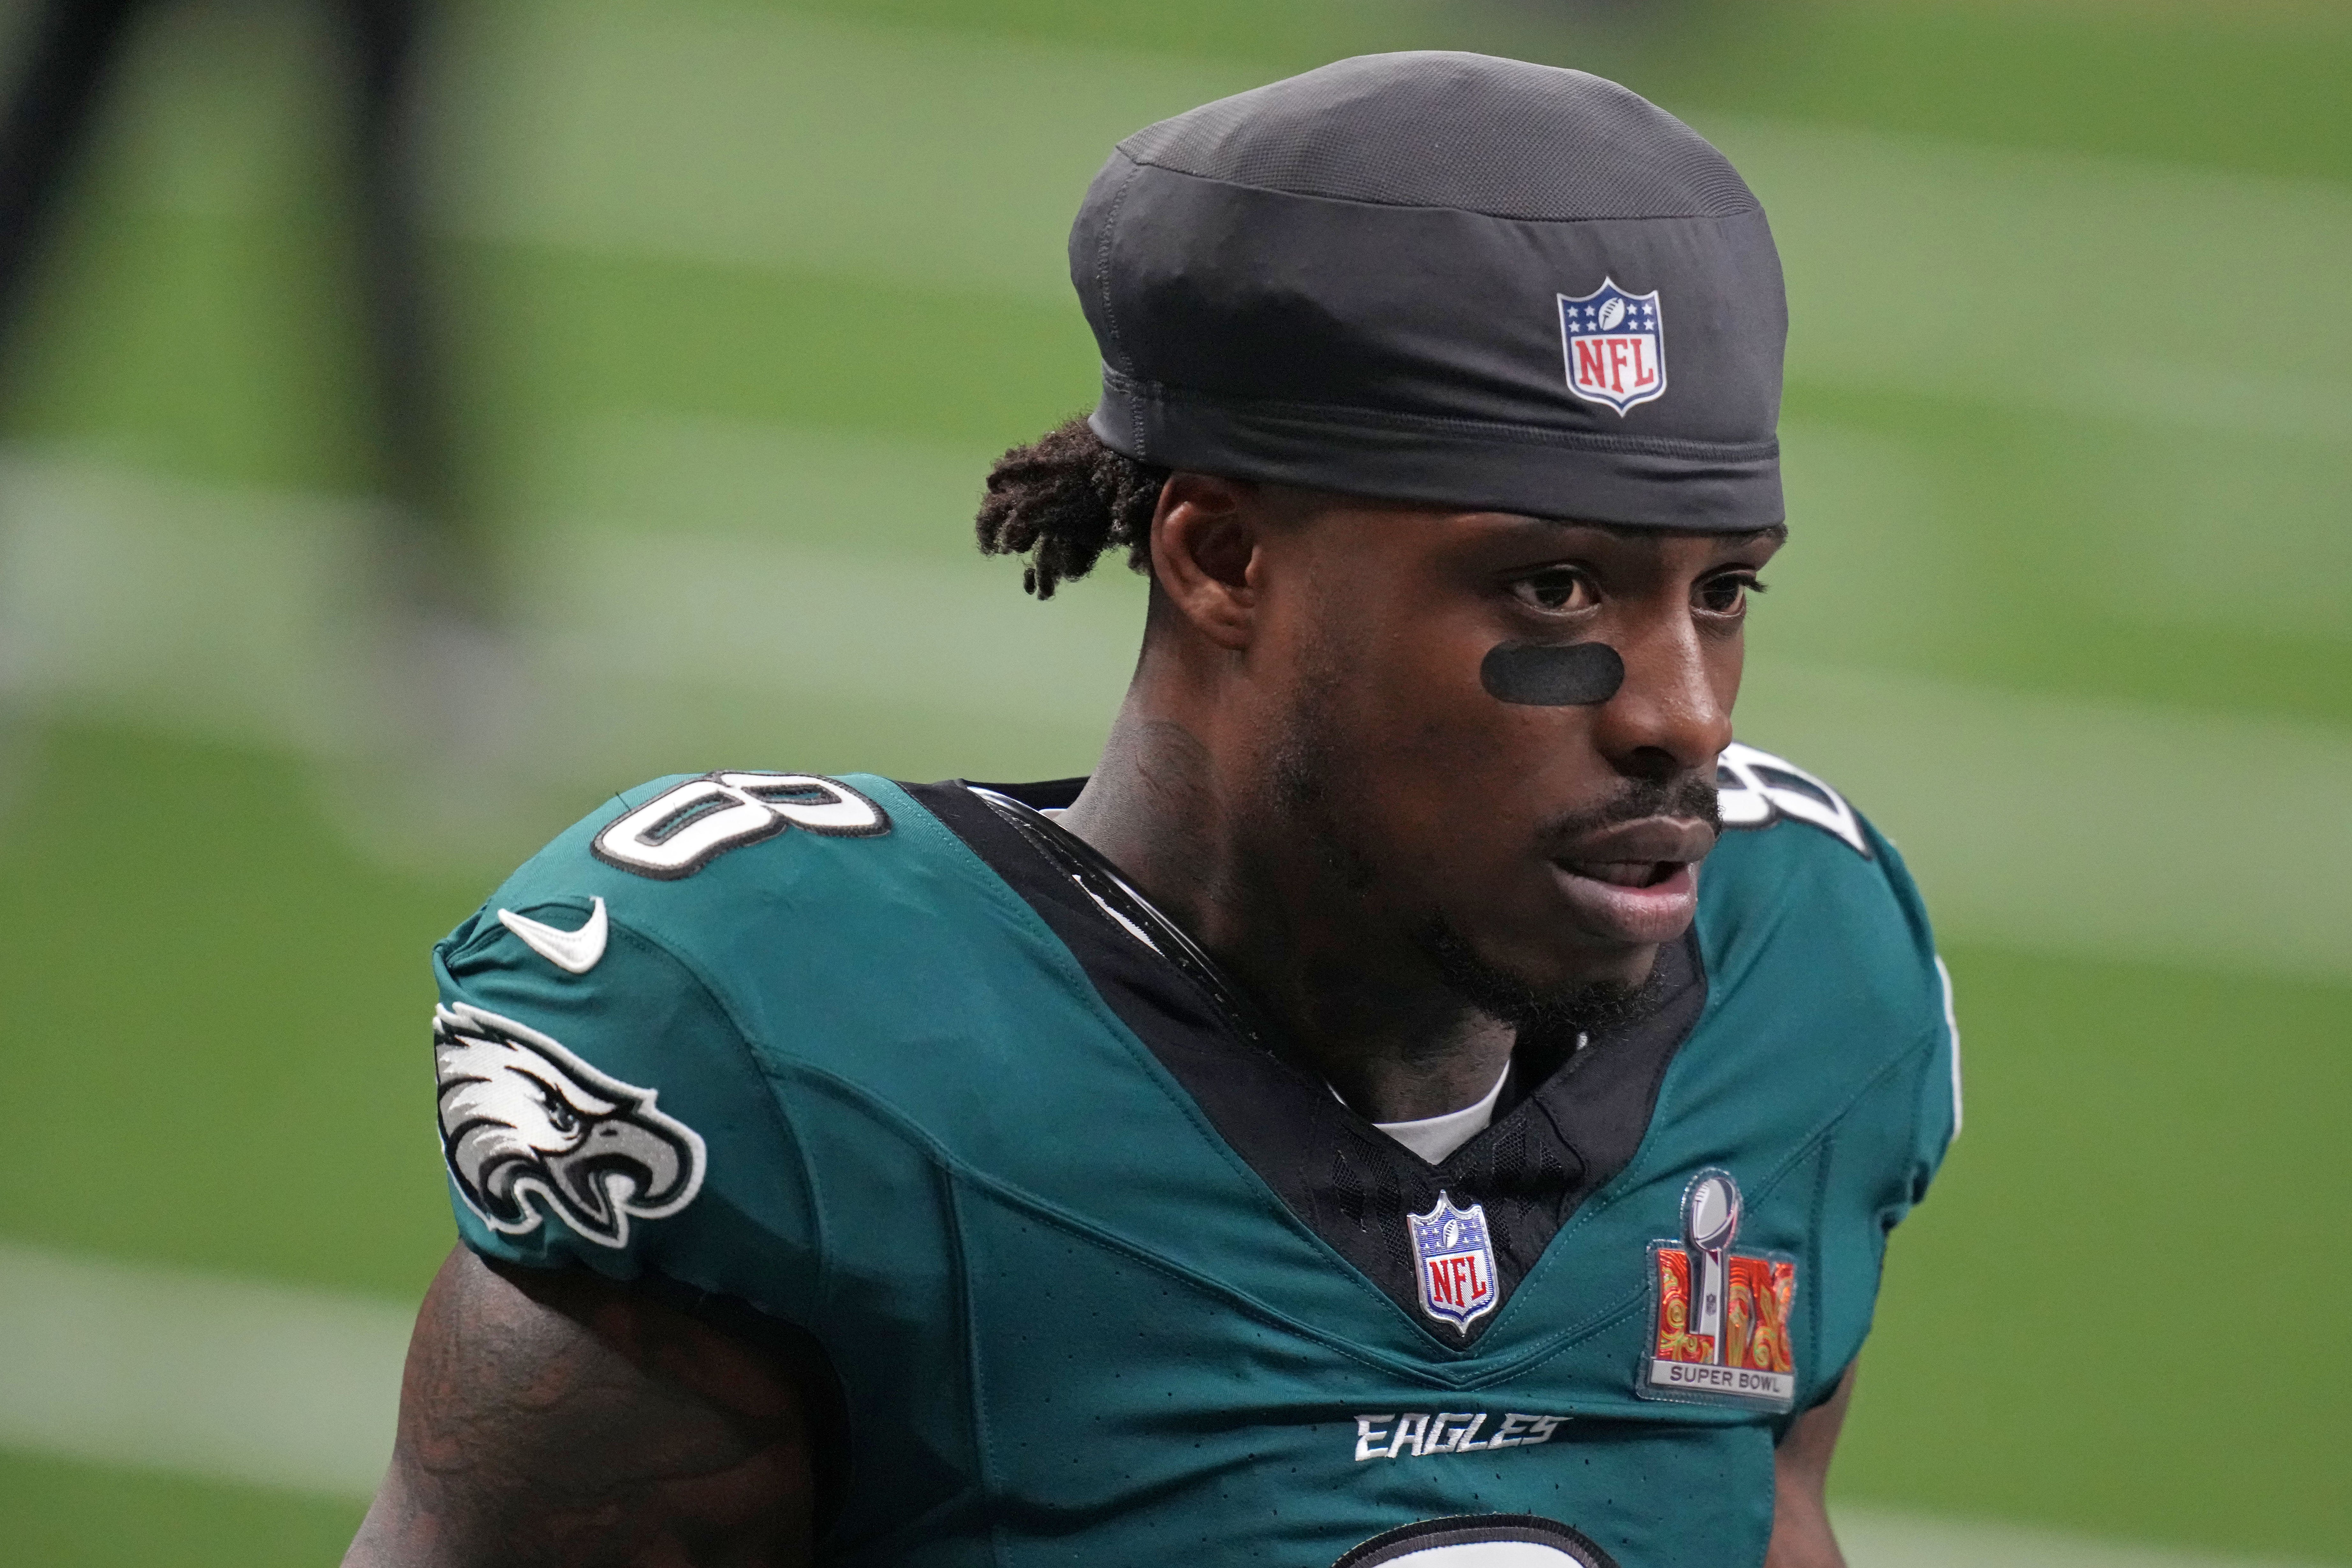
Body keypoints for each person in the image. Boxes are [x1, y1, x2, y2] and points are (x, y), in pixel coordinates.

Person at [348, 53, 1959, 1568]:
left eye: (1724, 590)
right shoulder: (806, 1047)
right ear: (1222, 560)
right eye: (1550, 590)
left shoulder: (1791, 986)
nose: (1679, 712)